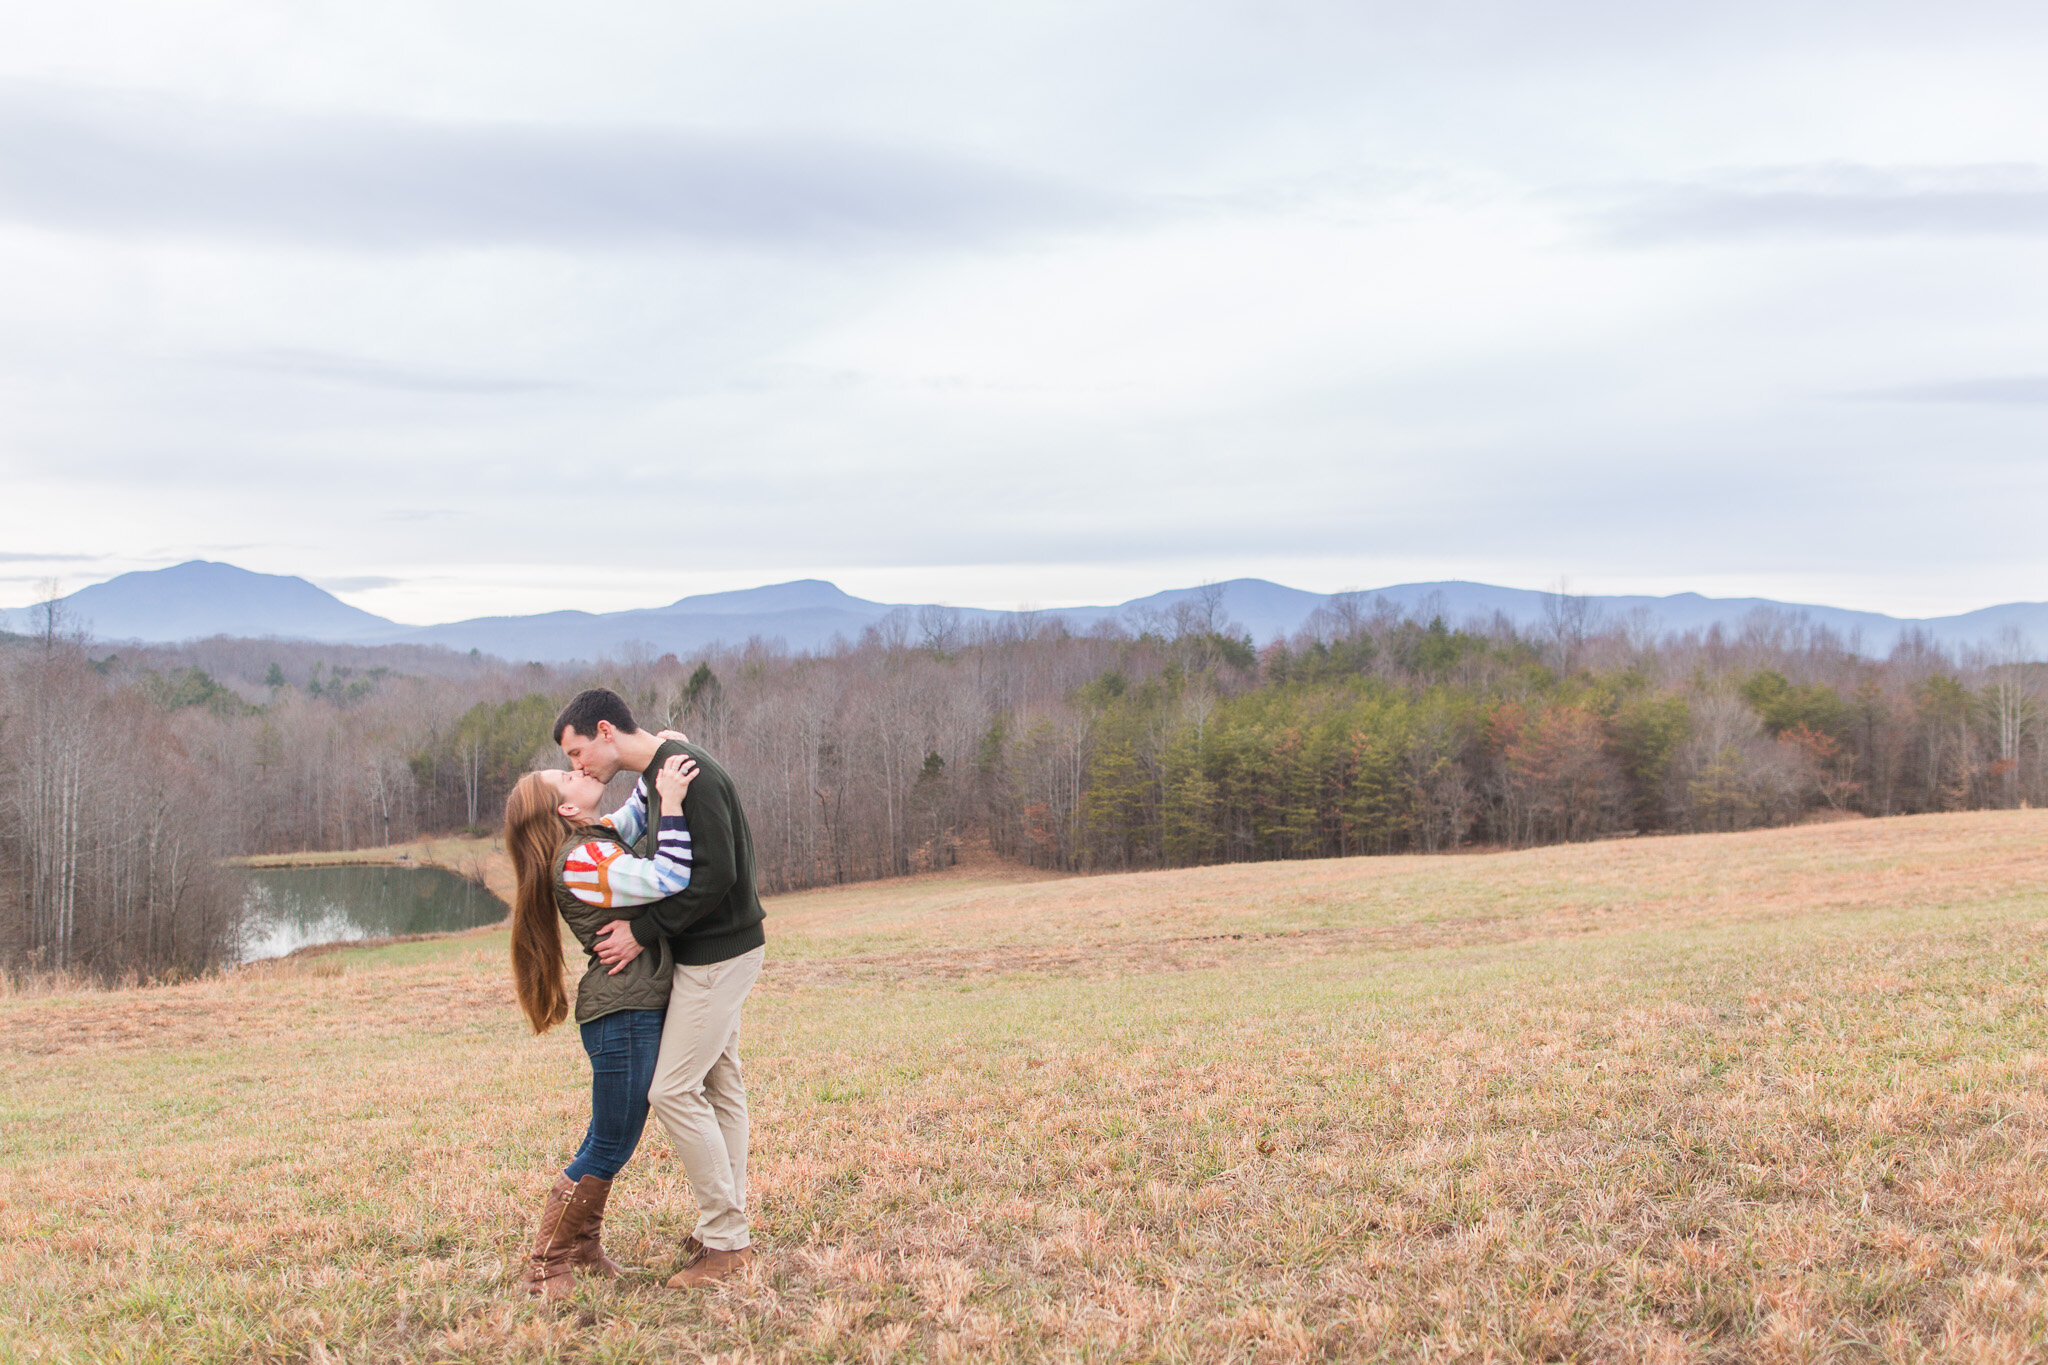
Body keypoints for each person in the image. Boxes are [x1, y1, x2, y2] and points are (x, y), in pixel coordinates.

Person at [553, 687, 767, 1289]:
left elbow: (716, 875)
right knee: (720, 1083)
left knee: (672, 1091)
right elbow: (637, 819)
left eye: (576, 753)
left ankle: (726, 1245)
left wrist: (643, 930)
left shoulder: (687, 776)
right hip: (706, 952)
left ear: (604, 731)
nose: (579, 767)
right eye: (569, 766)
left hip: (718, 953)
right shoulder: (662, 771)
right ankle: (722, 1229)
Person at [502, 749, 699, 1300]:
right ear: (565, 807)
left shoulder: (592, 836)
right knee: (610, 1143)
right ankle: (547, 1263)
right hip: (622, 1014)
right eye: (568, 775)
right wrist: (677, 804)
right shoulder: (582, 858)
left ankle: (583, 1249)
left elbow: (637, 807)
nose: (579, 770)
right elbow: (670, 876)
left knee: (612, 1137)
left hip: (628, 1008)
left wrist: (659, 751)